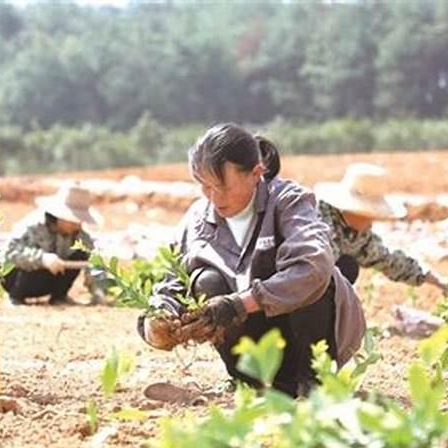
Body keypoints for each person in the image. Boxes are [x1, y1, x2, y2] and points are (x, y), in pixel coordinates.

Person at [137, 123, 366, 398]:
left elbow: (313, 266)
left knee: (313, 276)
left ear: (256, 173)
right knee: (205, 280)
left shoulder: (289, 202)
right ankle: (247, 382)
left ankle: (312, 385)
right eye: (204, 187)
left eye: (221, 187)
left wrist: (238, 304)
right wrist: (156, 324)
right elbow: (171, 282)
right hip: (253, 345)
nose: (213, 198)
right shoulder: (199, 218)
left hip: (307, 340)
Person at [314, 163, 448, 292]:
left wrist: (439, 281)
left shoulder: (357, 235)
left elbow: (390, 259)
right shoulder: (318, 224)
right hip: (297, 293)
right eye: (368, 215)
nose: (371, 221)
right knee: (340, 270)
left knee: (347, 268)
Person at [3, 185, 104, 305]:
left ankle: (59, 297)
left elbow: (93, 257)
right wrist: (42, 259)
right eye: (74, 220)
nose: (78, 225)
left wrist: (97, 286)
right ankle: (16, 298)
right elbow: (10, 252)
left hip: (48, 282)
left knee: (80, 254)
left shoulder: (79, 235)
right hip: (19, 280)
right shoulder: (32, 227)